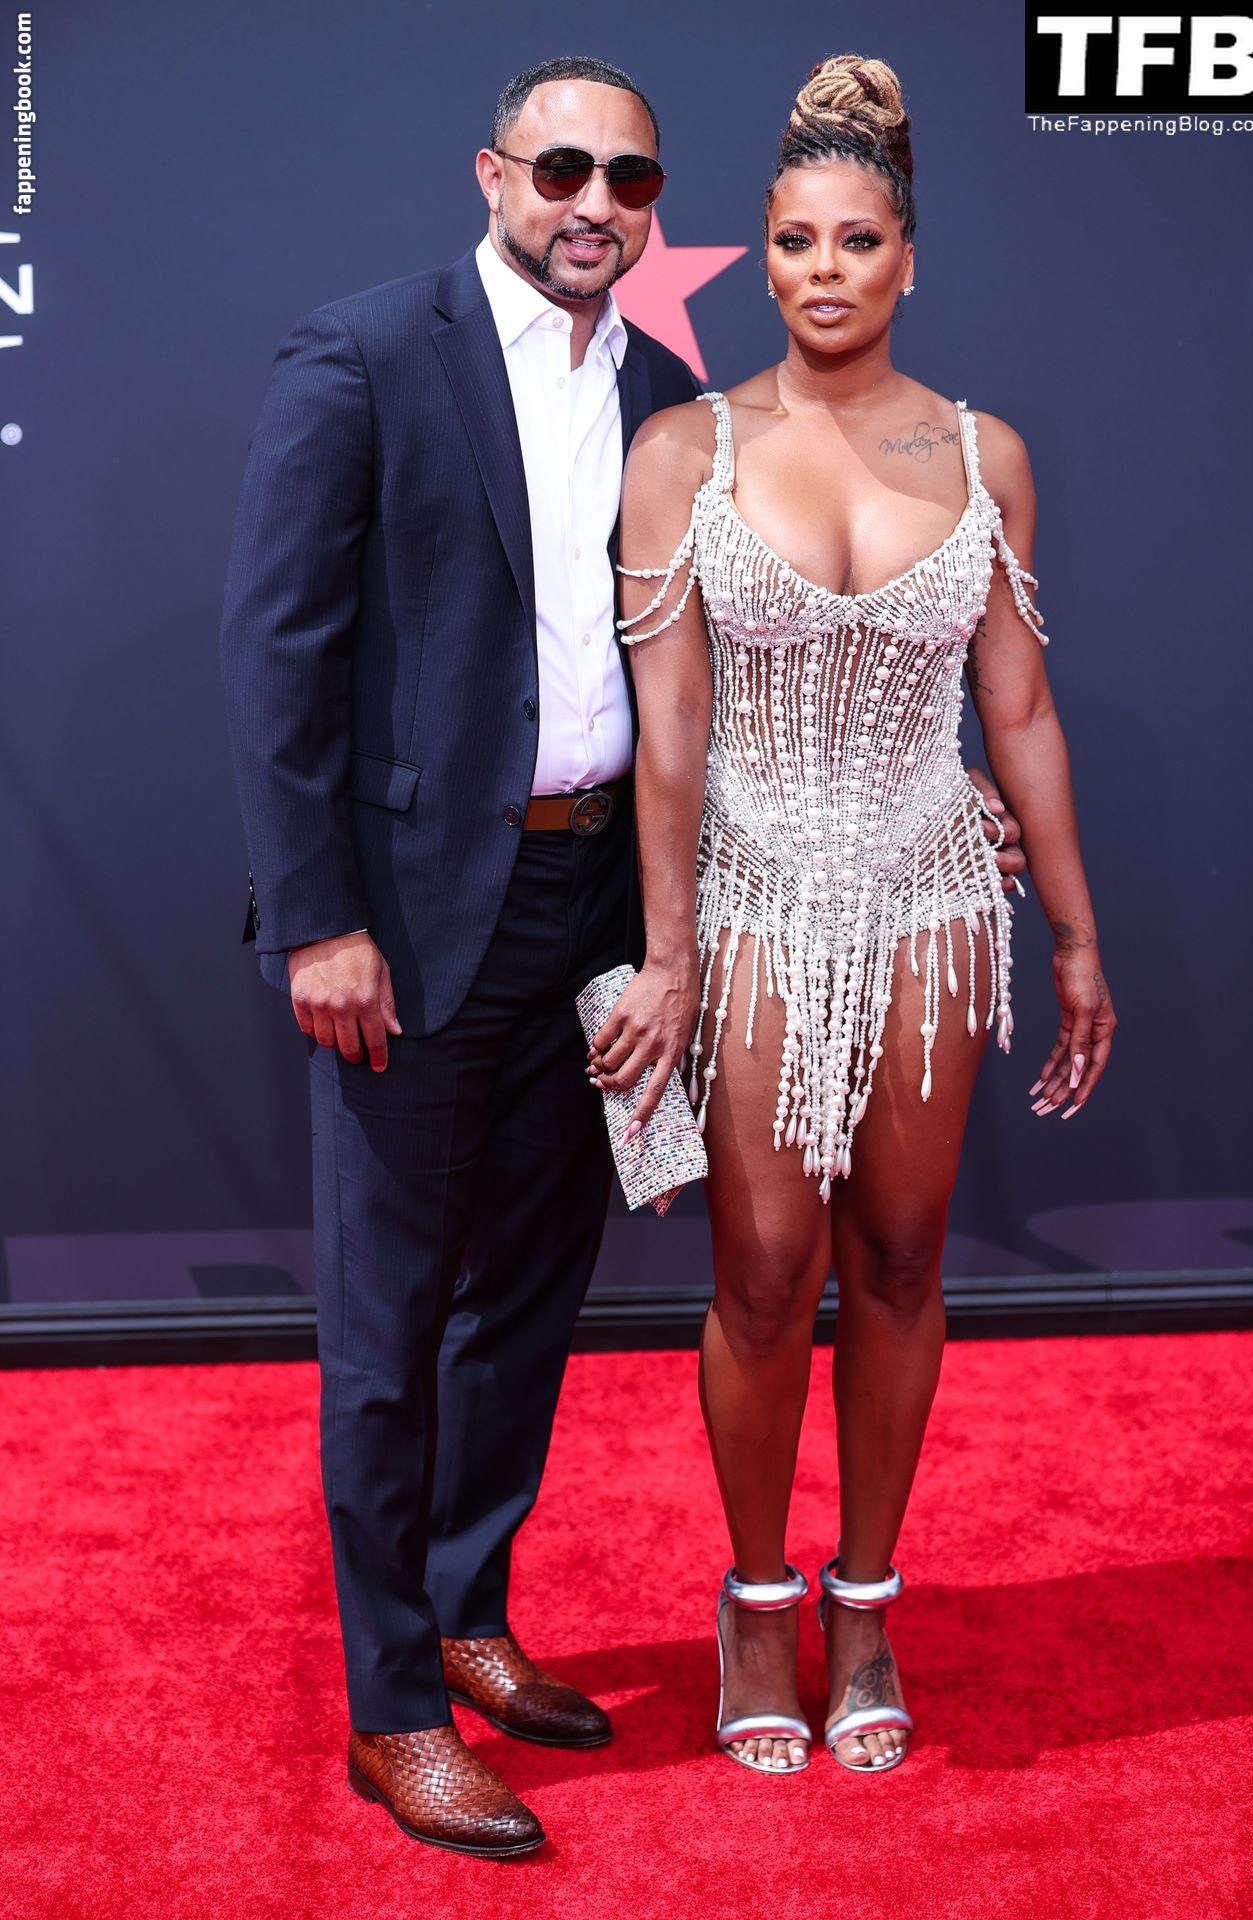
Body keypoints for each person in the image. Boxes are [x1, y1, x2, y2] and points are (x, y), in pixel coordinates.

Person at [591, 54, 1115, 1779]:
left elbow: (1018, 706)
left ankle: (867, 1599)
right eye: (796, 239)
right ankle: (757, 1601)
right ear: (760, 253)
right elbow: (671, 734)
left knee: (899, 1261)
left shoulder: (981, 453)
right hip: (752, 900)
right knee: (763, 1275)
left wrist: (1076, 935)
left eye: (859, 239)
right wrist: (671, 952)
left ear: (909, 258)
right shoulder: (683, 449)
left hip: (930, 899)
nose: (826, 269)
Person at [219, 56, 701, 1858]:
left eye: (629, 178)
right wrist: (319, 916)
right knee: (390, 1323)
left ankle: (468, 1608)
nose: (596, 203)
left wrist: (670, 927)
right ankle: (394, 1706)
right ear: (493, 173)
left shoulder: (664, 392)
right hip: (412, 922)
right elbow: (277, 651)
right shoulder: (364, 353)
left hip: (594, 909)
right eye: (564, 167)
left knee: (532, 1298)